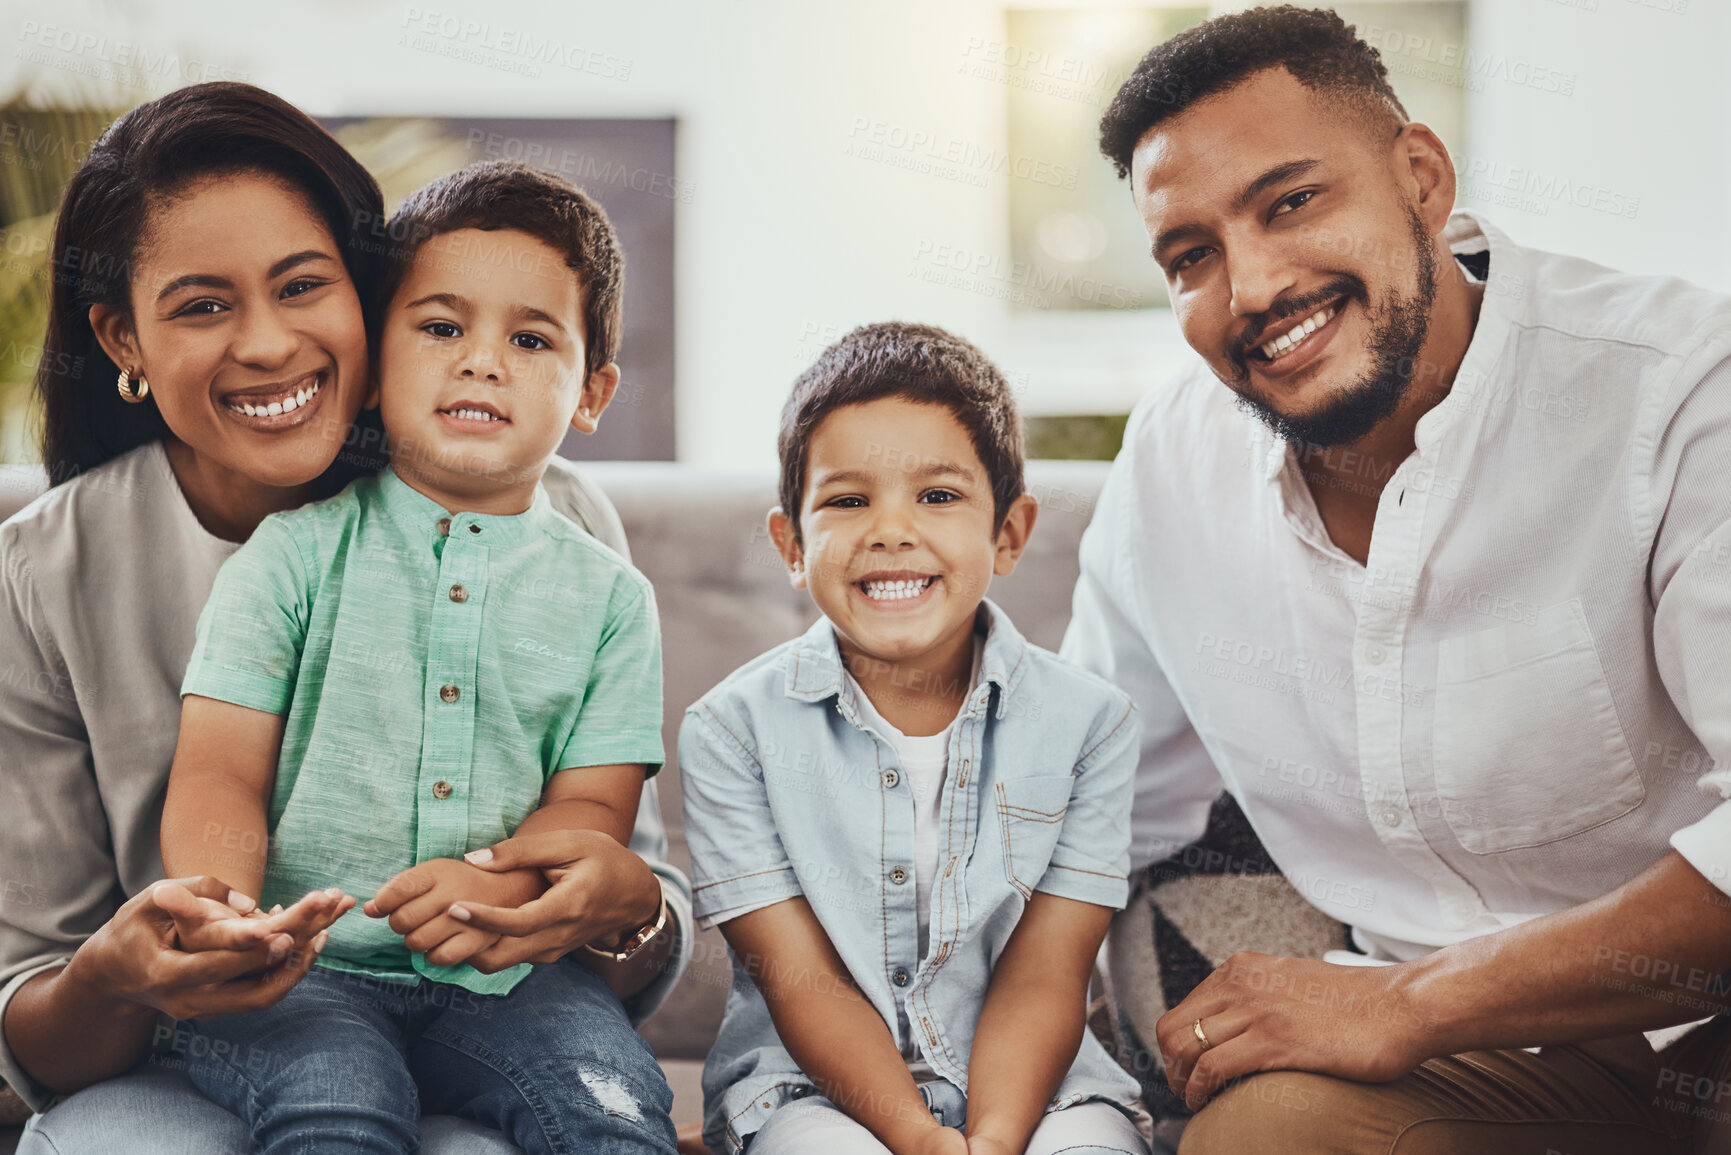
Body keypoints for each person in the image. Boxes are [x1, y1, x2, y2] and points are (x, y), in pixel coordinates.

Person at [1062, 7, 1731, 1153]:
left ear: (1421, 176)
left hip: (1696, 1025)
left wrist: (1409, 1004)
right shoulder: (1173, 468)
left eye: (1291, 202)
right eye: (1192, 255)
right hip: (1467, 1076)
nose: (1254, 285)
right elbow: (1077, 808)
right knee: (1258, 1139)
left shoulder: (1675, 394)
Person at [0, 83, 691, 1153]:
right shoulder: (50, 574)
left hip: (483, 1004)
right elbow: (36, 1010)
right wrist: (155, 952)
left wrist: (614, 901)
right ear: (121, 340)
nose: (270, 345)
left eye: (302, 286)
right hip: (213, 1038)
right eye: (201, 304)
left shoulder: (563, 530)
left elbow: (598, 850)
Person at [680, 323, 1151, 1155]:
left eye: (936, 496)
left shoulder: (1090, 724)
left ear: (1008, 532)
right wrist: (918, 1137)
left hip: (1040, 1088)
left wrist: (996, 1141)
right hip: (809, 1086)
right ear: (791, 544)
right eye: (848, 499)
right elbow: (804, 980)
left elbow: (1045, 973)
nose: (891, 530)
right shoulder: (730, 731)